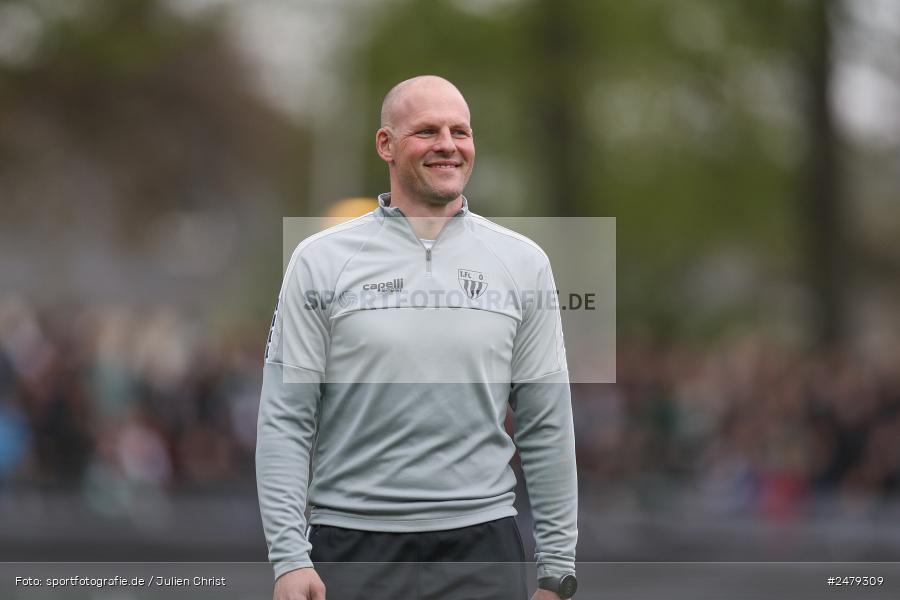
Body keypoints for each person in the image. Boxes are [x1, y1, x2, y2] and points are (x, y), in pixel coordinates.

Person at [256, 75, 578, 600]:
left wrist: (558, 570)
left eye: (460, 131)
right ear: (386, 145)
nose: (448, 144)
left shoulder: (524, 263)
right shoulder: (319, 261)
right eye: (427, 131)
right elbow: (285, 418)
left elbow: (546, 422)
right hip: (352, 545)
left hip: (482, 547)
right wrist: (289, 557)